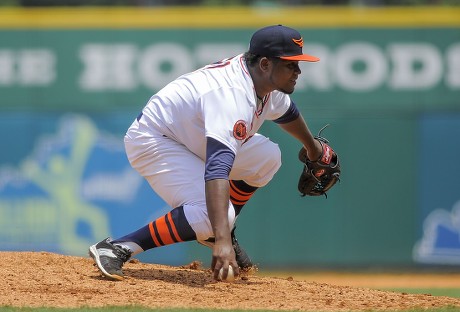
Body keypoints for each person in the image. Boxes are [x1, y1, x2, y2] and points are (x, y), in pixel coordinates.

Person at [89, 24, 323, 281]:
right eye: (291, 64)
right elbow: (217, 169)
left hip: (190, 138)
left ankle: (216, 230)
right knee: (214, 216)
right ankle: (119, 248)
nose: (298, 71)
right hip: (155, 140)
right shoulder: (232, 95)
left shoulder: (263, 82)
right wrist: (222, 241)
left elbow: (288, 112)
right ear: (265, 64)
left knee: (268, 157)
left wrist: (314, 149)